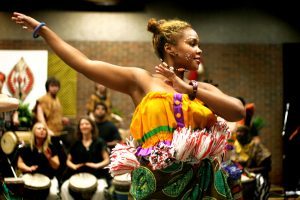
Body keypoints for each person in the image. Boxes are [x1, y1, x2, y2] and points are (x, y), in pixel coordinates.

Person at [11, 13, 245, 199]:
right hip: (156, 185)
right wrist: (43, 30)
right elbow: (84, 64)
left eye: (198, 44)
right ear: (170, 48)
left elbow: (236, 111)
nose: (199, 49)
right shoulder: (141, 81)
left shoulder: (201, 89)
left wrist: (189, 89)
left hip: (202, 185)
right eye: (192, 43)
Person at [60, 117, 110, 200]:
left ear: (92, 127)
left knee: (100, 190)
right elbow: (68, 161)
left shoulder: (99, 142)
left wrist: (96, 165)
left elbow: (107, 160)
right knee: (64, 188)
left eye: (87, 124)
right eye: (82, 124)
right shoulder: (75, 142)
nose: (84, 126)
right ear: (79, 127)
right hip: (78, 174)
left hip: (97, 174)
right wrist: (73, 166)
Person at [17, 122, 60, 200]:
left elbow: (56, 166)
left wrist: (49, 158)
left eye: (44, 129)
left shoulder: (50, 147)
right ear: (33, 131)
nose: (42, 130)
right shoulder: (27, 147)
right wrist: (28, 168)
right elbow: (20, 163)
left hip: (48, 178)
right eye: (39, 128)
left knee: (53, 195)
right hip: (30, 176)